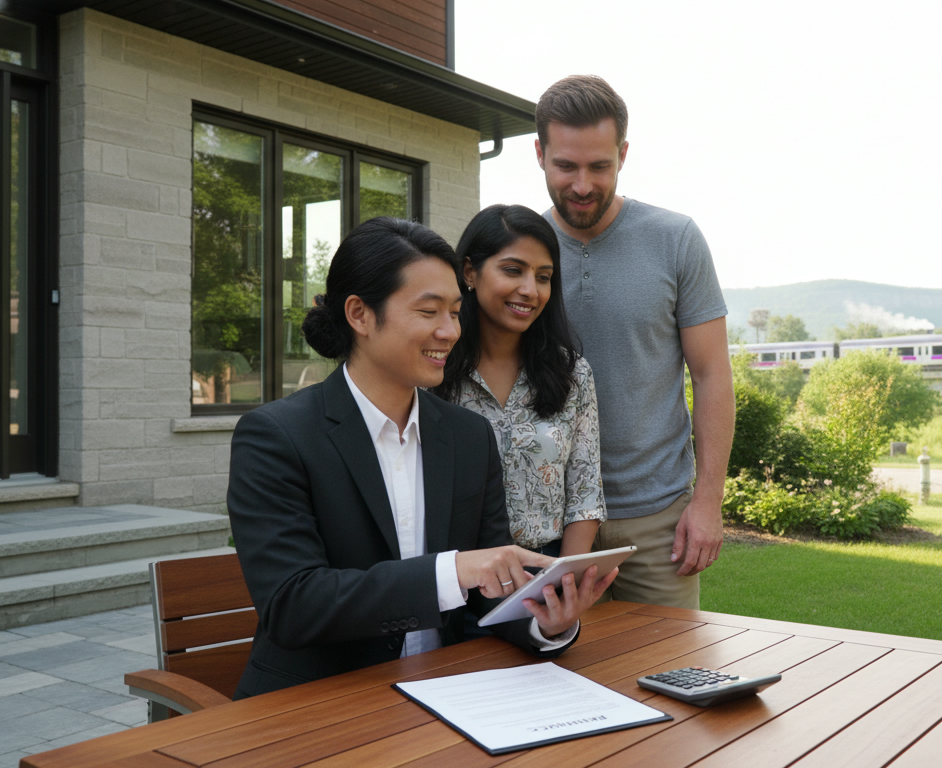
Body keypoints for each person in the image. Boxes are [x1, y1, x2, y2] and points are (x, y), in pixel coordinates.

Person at [226, 216, 616, 698]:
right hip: (322, 702)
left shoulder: (467, 436)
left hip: (450, 695)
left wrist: (546, 622)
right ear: (360, 314)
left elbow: (485, 600)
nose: (450, 332)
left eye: (455, 312)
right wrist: (454, 570)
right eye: (429, 312)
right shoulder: (277, 437)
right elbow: (294, 604)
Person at [534, 75, 735, 610]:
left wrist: (708, 501)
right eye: (566, 166)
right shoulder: (518, 247)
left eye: (599, 166)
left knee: (671, 681)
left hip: (656, 521)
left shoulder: (676, 239)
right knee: (555, 681)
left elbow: (712, 374)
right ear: (539, 155)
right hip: (545, 521)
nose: (582, 184)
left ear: (623, 154)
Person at [432, 204, 605, 559]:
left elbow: (585, 493)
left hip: (544, 568)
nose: (530, 290)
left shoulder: (571, 373)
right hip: (454, 572)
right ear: (469, 272)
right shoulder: (433, 368)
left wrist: (563, 581)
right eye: (513, 270)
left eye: (543, 276)